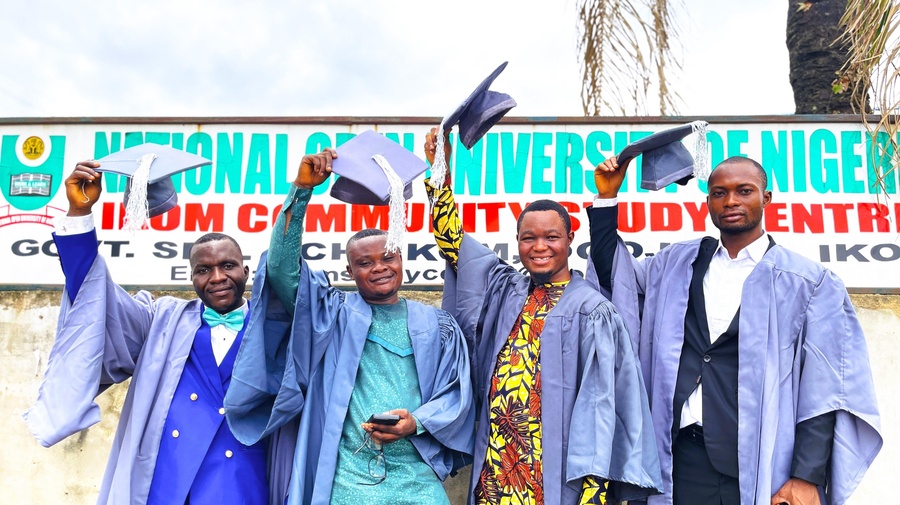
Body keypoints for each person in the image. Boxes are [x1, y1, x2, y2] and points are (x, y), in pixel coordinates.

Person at [588, 155, 882, 505]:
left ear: (766, 198)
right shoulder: (677, 264)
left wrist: (805, 476)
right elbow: (617, 280)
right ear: (708, 202)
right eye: (719, 193)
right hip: (680, 460)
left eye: (744, 191)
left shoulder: (807, 283)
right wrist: (607, 199)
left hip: (760, 466)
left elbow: (827, 388)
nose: (730, 202)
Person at [24, 160, 294, 504]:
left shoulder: (275, 325)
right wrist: (79, 212)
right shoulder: (161, 321)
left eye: (227, 266)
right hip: (167, 481)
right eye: (203, 270)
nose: (217, 277)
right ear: (191, 277)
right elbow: (95, 296)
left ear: (246, 269)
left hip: (243, 481)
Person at [423, 129, 662, 505]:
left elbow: (601, 408)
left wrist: (593, 491)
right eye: (527, 238)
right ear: (517, 241)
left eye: (551, 237)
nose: (539, 247)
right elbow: (453, 244)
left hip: (556, 479)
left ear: (570, 238)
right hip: (497, 473)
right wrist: (440, 176)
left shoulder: (592, 310)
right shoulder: (505, 290)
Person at [223, 148, 475, 505]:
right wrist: (301, 190)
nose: (379, 267)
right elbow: (281, 269)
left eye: (387, 257)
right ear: (349, 272)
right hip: (349, 479)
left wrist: (415, 421)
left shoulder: (437, 325)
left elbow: (457, 393)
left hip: (418, 476)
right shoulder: (333, 314)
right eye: (364, 262)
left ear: (402, 259)